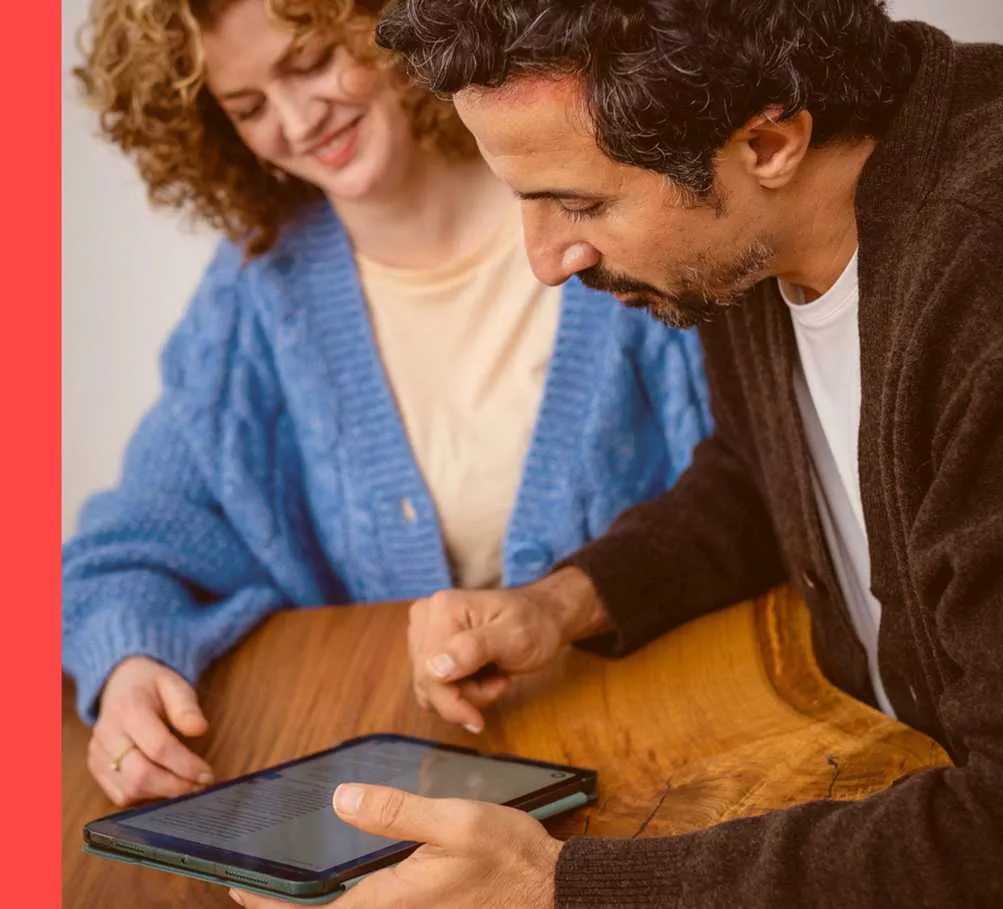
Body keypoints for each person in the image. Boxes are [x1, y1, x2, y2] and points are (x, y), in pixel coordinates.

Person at [226, 2, 1003, 907]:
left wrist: (555, 888)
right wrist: (560, 603)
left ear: (768, 142)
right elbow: (765, 474)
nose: (549, 259)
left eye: (580, 202)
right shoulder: (759, 228)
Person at [62, 0, 713, 810]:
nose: (299, 122)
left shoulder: (603, 213)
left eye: (308, 63)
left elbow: (752, 495)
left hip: (681, 745)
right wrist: (129, 663)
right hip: (413, 787)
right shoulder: (255, 297)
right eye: (249, 107)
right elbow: (124, 551)